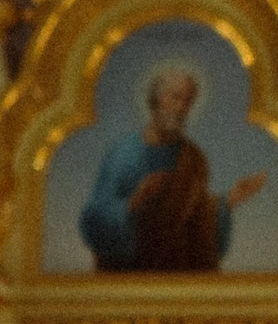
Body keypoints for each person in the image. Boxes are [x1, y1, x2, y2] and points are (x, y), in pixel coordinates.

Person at [80, 67, 265, 275]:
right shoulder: (123, 154)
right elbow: (94, 218)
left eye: (188, 102)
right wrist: (133, 202)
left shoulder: (193, 158)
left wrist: (229, 201)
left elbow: (198, 222)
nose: (181, 108)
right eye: (175, 98)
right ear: (155, 100)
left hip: (178, 279)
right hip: (129, 279)